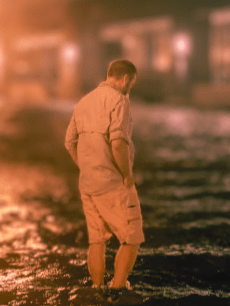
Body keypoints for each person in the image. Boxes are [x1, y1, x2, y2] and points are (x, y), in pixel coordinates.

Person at [65, 59, 143, 299]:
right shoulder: (119, 101)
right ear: (125, 78)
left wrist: (86, 166)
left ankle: (96, 289)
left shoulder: (84, 101)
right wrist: (127, 176)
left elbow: (69, 142)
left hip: (88, 183)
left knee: (96, 241)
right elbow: (118, 143)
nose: (131, 87)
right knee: (132, 236)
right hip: (112, 183)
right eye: (132, 82)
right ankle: (118, 289)